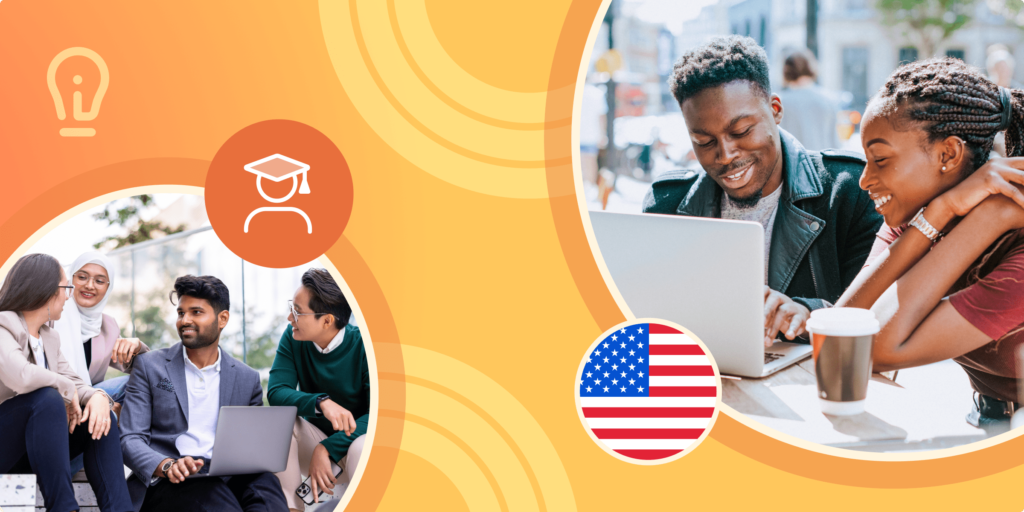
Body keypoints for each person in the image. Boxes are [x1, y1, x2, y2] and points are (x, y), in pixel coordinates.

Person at [643, 35, 883, 346]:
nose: (726, 155)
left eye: (741, 131)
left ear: (775, 110)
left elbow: (881, 319)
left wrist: (811, 314)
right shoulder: (667, 204)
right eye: (704, 142)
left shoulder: (850, 192)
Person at [835, 57, 1024, 427]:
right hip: (991, 422)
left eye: (881, 160)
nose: (864, 180)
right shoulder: (916, 221)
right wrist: (942, 210)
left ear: (948, 154)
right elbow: (843, 333)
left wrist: (990, 217)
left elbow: (872, 350)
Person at [119, 275, 287, 512]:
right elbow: (130, 439)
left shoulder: (246, 378)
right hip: (169, 479)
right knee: (210, 495)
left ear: (223, 319)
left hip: (227, 475)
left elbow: (250, 448)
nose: (184, 320)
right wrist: (167, 465)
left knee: (266, 486)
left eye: (196, 312)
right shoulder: (149, 366)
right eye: (180, 313)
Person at [0, 253, 132, 512]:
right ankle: (64, 508)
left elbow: (75, 381)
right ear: (45, 290)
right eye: (66, 287)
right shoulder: (4, 323)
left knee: (101, 419)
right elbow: (20, 375)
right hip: (6, 445)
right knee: (47, 398)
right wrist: (67, 390)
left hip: (35, 449)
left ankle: (120, 509)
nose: (69, 295)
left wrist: (97, 398)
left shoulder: (49, 337)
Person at [269, 268, 369, 511]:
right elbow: (276, 391)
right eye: (291, 308)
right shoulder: (293, 337)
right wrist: (321, 402)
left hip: (357, 444)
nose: (290, 318)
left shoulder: (366, 347)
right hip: (315, 443)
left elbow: (381, 414)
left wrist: (327, 448)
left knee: (361, 447)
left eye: (298, 312)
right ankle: (291, 509)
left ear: (327, 320)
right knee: (281, 422)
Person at [53, 251, 149, 475]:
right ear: (70, 280)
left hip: (89, 411)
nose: (90, 286)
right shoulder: (53, 314)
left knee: (138, 383)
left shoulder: (107, 326)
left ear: (109, 287)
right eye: (82, 277)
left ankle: (140, 450)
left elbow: (149, 371)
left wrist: (137, 346)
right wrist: (104, 402)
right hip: (60, 403)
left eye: (99, 280)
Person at [776, 48, 841, 152]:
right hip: (824, 164)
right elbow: (835, 142)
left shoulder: (781, 102)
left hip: (794, 165)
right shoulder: (829, 99)